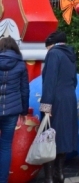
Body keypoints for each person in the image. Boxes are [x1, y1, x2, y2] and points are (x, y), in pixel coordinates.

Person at [39, 30, 77, 183]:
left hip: (55, 100)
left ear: (51, 45)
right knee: (63, 136)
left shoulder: (54, 54)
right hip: (69, 98)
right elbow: (74, 81)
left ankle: (48, 177)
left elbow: (49, 81)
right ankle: (60, 174)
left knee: (48, 136)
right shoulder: (70, 55)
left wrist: (46, 105)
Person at [0, 36, 29, 183]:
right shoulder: (20, 64)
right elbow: (24, 90)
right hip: (11, 111)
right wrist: (24, 112)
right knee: (5, 146)